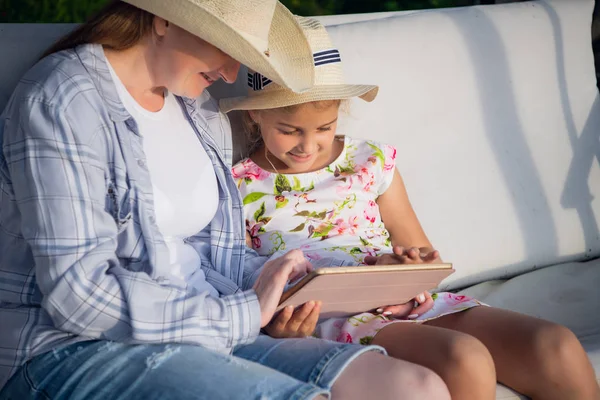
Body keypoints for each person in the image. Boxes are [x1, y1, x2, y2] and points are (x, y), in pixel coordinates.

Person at [0, 1, 452, 399]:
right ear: (163, 19)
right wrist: (244, 312)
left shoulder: (200, 110)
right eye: (226, 47)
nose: (233, 73)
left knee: (417, 389)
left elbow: (215, 254)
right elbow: (79, 295)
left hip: (208, 328)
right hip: (75, 349)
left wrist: (319, 288)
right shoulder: (63, 98)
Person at [223, 17, 600, 400]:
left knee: (555, 345)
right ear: (255, 113)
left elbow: (420, 254)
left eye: (324, 127)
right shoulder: (238, 185)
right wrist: (276, 323)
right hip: (332, 315)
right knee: (463, 358)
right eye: (289, 130)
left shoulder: (369, 161)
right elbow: (238, 280)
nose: (308, 145)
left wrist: (408, 265)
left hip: (406, 300)